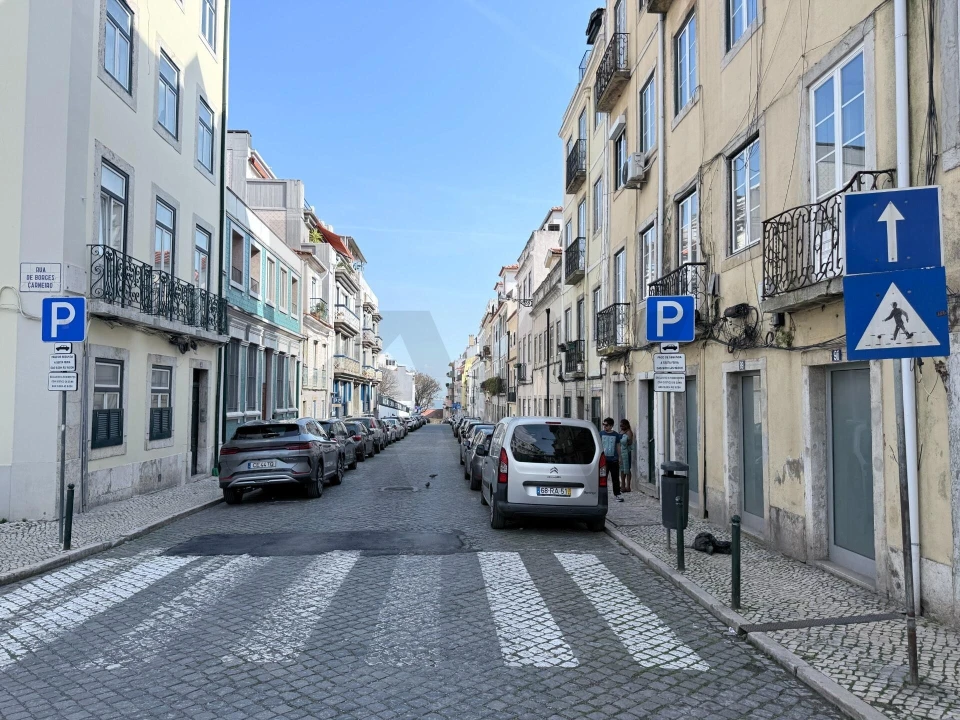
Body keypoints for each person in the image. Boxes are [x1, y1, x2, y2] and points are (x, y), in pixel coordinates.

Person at [600, 417, 623, 502]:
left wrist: (620, 457)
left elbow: (618, 446)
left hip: (613, 460)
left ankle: (617, 494)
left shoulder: (615, 435)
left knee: (615, 478)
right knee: (603, 478)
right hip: (603, 460)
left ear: (611, 426)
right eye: (604, 425)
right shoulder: (601, 434)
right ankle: (602, 494)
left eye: (606, 425)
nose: (604, 427)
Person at [619, 419, 634, 493]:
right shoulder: (621, 432)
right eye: (620, 425)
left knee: (627, 469)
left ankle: (628, 486)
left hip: (626, 452)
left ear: (626, 425)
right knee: (622, 470)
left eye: (622, 425)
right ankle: (623, 485)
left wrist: (623, 441)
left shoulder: (629, 432)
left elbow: (630, 442)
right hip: (621, 452)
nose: (621, 426)